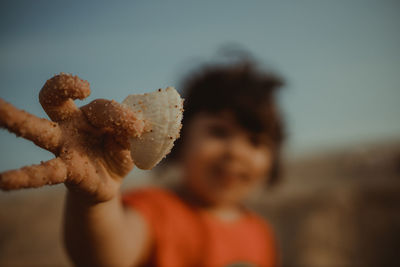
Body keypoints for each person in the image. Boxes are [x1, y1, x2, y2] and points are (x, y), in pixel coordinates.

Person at [0, 59, 285, 267]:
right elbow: (107, 256)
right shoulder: (155, 211)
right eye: (219, 132)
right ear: (179, 139)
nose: (236, 152)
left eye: (256, 142)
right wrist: (95, 202)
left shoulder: (261, 232)